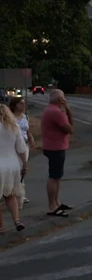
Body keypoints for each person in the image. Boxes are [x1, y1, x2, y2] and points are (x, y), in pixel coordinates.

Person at [41, 89, 74, 217]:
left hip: (53, 145)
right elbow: (70, 129)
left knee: (57, 176)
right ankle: (51, 206)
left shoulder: (50, 109)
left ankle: (57, 202)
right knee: (54, 176)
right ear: (60, 100)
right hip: (55, 147)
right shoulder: (56, 112)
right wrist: (68, 109)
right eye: (63, 98)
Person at [0, 104, 27, 234]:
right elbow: (21, 148)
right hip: (13, 164)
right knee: (10, 195)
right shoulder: (14, 127)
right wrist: (25, 164)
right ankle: (17, 220)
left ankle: (1, 227)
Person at [9, 97, 33, 204]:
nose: (23, 105)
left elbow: (27, 130)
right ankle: (13, 192)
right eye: (21, 103)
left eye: (24, 103)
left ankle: (20, 192)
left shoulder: (25, 117)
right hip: (13, 146)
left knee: (23, 168)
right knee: (16, 169)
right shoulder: (10, 117)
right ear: (15, 105)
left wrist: (31, 137)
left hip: (24, 145)